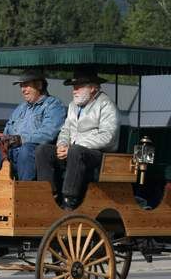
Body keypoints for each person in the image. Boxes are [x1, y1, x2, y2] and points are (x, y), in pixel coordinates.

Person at [35, 68, 120, 210]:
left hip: (98, 155)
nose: (74, 91)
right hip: (73, 151)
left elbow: (108, 137)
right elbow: (65, 130)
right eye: (73, 87)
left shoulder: (106, 105)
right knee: (42, 150)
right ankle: (49, 196)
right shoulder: (73, 106)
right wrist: (62, 144)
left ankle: (69, 201)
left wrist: (75, 146)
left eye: (78, 87)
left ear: (93, 88)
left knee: (76, 151)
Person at [0, 70, 66, 180]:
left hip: (33, 154)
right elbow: (7, 133)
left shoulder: (53, 105)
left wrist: (21, 139)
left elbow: (48, 133)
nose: (23, 90)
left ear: (39, 85)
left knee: (25, 150)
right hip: (12, 154)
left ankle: (25, 191)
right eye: (21, 86)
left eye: (26, 85)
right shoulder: (20, 108)